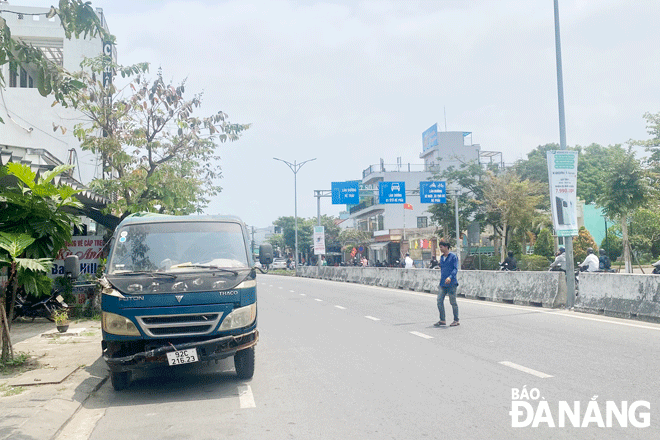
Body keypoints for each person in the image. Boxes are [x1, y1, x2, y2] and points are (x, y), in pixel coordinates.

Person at [434, 241, 459, 327]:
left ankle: (456, 320)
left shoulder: (453, 257)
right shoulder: (441, 258)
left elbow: (455, 269)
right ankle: (442, 320)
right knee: (439, 301)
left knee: (453, 302)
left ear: (446, 247)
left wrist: (450, 277)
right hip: (442, 283)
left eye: (441, 247)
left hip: (451, 283)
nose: (440, 249)